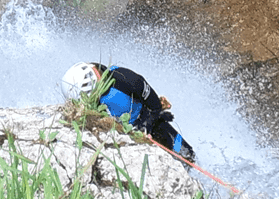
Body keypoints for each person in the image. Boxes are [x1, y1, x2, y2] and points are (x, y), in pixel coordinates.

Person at [61, 62, 196, 162]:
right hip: (128, 136)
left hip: (149, 121)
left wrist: (146, 126)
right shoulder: (89, 105)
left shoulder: (125, 79)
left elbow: (153, 105)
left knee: (187, 156)